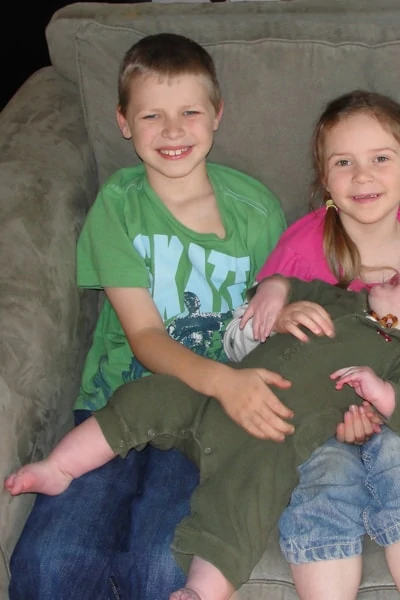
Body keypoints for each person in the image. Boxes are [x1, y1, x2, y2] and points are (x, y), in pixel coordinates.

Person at [7, 33, 289, 599]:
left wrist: (281, 291)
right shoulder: (120, 204)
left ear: (216, 115)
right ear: (123, 123)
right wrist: (226, 382)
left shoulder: (257, 210)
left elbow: (281, 307)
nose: (173, 130)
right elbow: (143, 335)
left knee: (163, 569)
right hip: (114, 403)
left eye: (189, 111)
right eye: (151, 115)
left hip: (203, 425)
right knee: (51, 562)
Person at [5, 272, 400, 600]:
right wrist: (276, 292)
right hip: (222, 391)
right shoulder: (345, 300)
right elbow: (293, 283)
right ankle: (61, 466)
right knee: (145, 396)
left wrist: (382, 394)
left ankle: (203, 589)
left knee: (242, 506)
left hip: (271, 435)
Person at [227, 89, 400, 600]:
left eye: (380, 159)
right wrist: (276, 307)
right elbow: (249, 345)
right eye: (344, 162)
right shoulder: (301, 244)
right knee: (325, 481)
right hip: (311, 416)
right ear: (326, 180)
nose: (362, 176)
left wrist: (387, 409)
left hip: (395, 407)